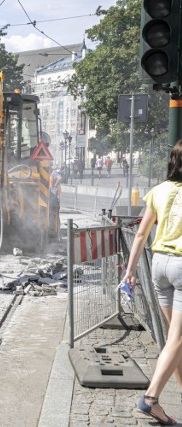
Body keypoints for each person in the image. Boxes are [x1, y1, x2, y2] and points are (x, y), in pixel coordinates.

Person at [124, 140, 182, 425]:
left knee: (174, 338)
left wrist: (130, 270)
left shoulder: (158, 191)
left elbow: (140, 234)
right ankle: (151, 398)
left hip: (159, 264)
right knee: (177, 338)